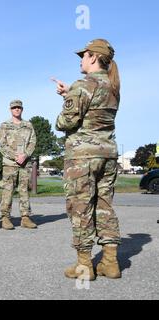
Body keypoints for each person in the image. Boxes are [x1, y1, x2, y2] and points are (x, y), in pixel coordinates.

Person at [54, 39, 122, 280]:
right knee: (104, 206)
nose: (81, 60)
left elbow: (66, 122)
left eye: (83, 56)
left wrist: (68, 98)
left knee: (81, 208)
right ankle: (110, 263)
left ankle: (85, 266)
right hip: (108, 153)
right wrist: (68, 94)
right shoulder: (113, 86)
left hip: (83, 157)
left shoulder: (83, 84)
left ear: (93, 57)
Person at [0, 100, 37, 230]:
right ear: (10, 110)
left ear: (22, 109)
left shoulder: (28, 125)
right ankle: (5, 218)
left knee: (24, 190)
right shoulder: (5, 126)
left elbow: (32, 142)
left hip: (25, 164)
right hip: (10, 164)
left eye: (19, 107)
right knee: (7, 191)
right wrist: (15, 156)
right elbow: (2, 144)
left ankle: (25, 217)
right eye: (14, 108)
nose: (17, 110)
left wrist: (25, 154)